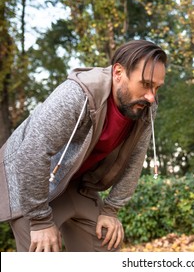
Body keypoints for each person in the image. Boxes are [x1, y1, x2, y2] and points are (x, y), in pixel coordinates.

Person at [0, 40, 167, 252]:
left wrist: (111, 210)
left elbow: (135, 161)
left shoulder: (145, 109)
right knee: (41, 254)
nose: (151, 97)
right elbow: (33, 152)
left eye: (157, 87)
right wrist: (40, 221)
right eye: (145, 84)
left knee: (106, 246)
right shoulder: (76, 94)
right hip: (31, 183)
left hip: (78, 183)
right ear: (118, 72)